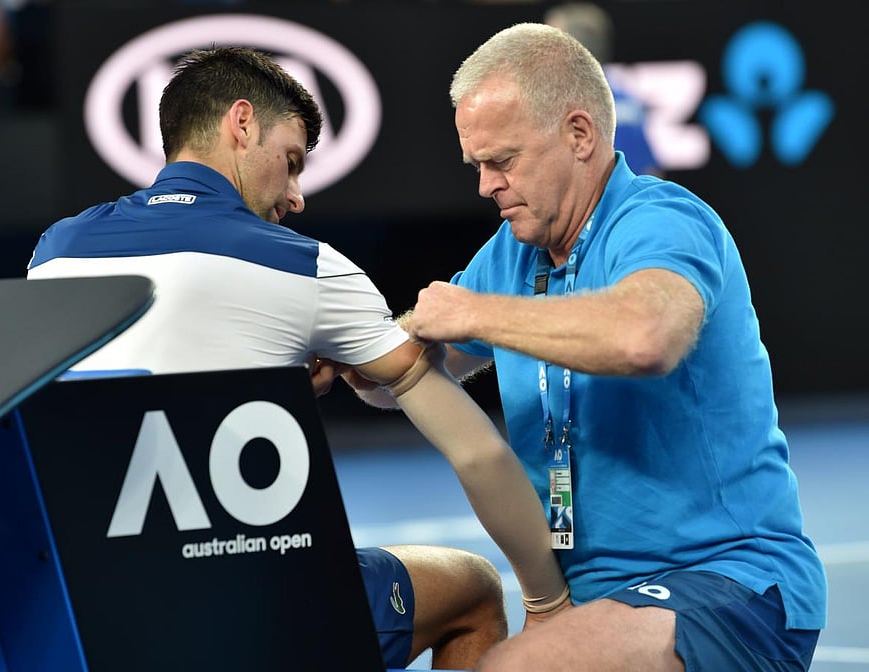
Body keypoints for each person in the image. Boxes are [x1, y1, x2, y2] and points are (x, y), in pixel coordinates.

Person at [25, 46, 569, 670]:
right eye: (290, 162)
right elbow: (478, 453)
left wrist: (270, 393)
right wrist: (548, 601)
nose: (296, 195)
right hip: (247, 614)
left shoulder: (54, 252)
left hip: (82, 617)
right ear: (241, 123)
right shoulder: (304, 265)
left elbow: (130, 411)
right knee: (472, 587)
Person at [351, 23, 827, 671]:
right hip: (591, 597)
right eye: (477, 165)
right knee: (471, 618)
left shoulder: (664, 219)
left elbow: (645, 337)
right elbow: (406, 374)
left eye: (502, 161)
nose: (485, 185)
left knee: (516, 667)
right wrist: (353, 356)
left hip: (730, 584)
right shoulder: (514, 253)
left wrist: (474, 311)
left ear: (579, 135)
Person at [544, 2, 662, 177]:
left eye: (548, 40)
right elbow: (652, 171)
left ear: (571, 48)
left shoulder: (566, 104)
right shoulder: (627, 99)